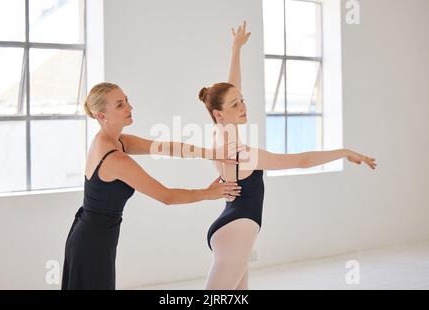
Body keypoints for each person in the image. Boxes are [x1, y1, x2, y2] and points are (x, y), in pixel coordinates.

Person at [198, 21, 377, 290]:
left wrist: (236, 49)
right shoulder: (241, 154)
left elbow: (230, 87)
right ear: (220, 114)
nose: (244, 107)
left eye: (243, 99)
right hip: (236, 230)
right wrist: (343, 151)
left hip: (233, 229)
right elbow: (301, 161)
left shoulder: (221, 132)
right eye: (236, 104)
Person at [61, 82, 241, 290]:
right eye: (120, 105)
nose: (129, 107)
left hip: (94, 235)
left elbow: (164, 147)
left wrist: (210, 153)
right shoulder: (114, 158)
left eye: (126, 100)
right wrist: (209, 193)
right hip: (92, 242)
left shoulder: (113, 140)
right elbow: (166, 196)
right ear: (101, 115)